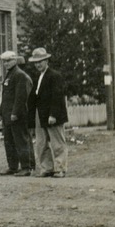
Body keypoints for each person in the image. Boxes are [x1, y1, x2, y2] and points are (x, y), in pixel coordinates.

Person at [26, 48, 68, 178]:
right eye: (36, 62)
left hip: (52, 115)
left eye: (40, 61)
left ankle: (60, 168)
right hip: (40, 114)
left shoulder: (54, 76)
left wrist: (53, 115)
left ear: (46, 60)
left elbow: (57, 96)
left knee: (57, 143)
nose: (38, 65)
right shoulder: (38, 77)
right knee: (41, 143)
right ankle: (47, 168)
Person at [0, 50, 33, 176]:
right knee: (9, 141)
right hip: (7, 115)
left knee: (20, 140)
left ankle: (26, 167)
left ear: (14, 61)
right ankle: (12, 166)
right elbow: (6, 95)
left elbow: (20, 97)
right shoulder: (10, 75)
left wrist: (15, 113)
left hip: (16, 116)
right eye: (4, 62)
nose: (6, 64)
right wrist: (1, 111)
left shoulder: (20, 75)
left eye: (8, 61)